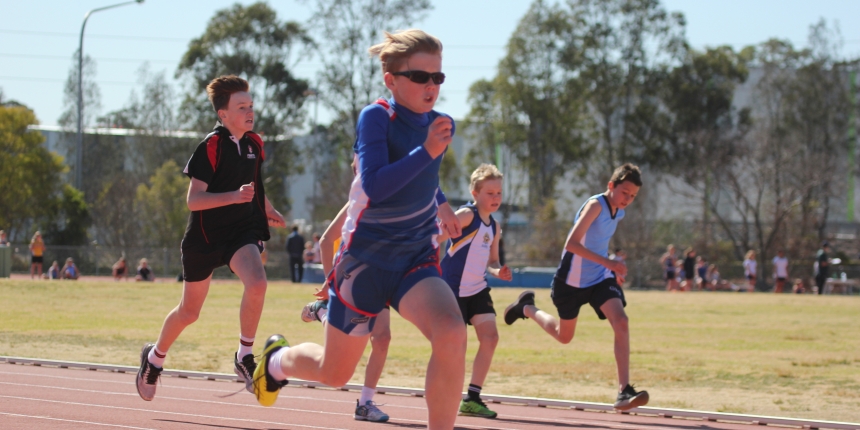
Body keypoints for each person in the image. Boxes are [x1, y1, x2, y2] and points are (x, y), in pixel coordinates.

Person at [252, 29, 466, 430]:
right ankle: (276, 360)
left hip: (415, 258)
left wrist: (441, 201)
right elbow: (374, 185)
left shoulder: (440, 124)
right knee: (334, 374)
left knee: (452, 331)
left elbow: (422, 177)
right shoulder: (376, 117)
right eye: (420, 76)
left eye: (438, 77)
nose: (431, 86)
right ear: (391, 79)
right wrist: (427, 152)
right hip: (364, 262)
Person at [136, 75, 286, 402]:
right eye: (241, 107)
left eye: (251, 105)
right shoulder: (212, 146)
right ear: (223, 115)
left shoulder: (254, 144)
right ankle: (154, 358)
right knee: (189, 312)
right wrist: (233, 196)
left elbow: (254, 189)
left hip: (239, 233)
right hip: (204, 238)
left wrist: (269, 209)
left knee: (258, 283)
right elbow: (194, 200)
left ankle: (244, 356)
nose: (249, 111)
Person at [503, 163, 649, 411]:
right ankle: (526, 308)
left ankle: (624, 391)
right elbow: (571, 244)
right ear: (610, 186)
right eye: (624, 192)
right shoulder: (595, 205)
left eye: (633, 196)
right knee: (564, 336)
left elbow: (598, 241)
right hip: (570, 281)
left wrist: (613, 268)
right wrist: (608, 262)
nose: (627, 199)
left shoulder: (619, 212)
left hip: (599, 279)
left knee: (621, 321)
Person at [301, 200, 392, 423]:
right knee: (340, 359)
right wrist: (330, 282)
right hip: (352, 279)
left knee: (382, 338)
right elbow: (325, 241)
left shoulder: (400, 199)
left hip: (382, 277)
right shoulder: (358, 201)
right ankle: (322, 311)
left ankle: (364, 404)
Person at [438, 163, 512, 419]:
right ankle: (445, 396)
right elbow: (436, 235)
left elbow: (492, 261)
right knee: (456, 347)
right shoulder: (466, 215)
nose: (496, 198)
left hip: (477, 289)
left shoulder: (495, 226)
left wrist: (498, 271)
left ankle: (472, 398)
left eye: (499, 193)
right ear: (475, 193)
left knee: (490, 338)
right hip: (453, 290)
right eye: (490, 193)